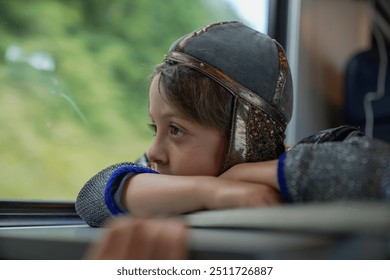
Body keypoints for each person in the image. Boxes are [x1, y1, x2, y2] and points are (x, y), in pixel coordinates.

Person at [78, 21, 390, 259]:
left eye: (175, 130)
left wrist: (247, 175)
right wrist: (211, 190)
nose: (153, 151)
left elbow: (375, 167)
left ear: (242, 135)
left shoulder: (314, 160)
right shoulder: (172, 179)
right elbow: (92, 195)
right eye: (154, 128)